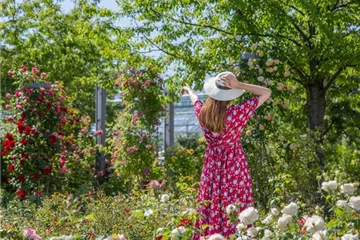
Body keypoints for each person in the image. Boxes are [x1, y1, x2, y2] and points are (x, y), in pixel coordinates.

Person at [181, 71, 272, 239]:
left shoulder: (203, 114)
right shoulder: (236, 113)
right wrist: (240, 85)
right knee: (236, 207)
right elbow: (267, 92)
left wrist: (189, 91)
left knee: (211, 204)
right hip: (234, 169)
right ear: (230, 95)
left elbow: (196, 101)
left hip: (212, 171)